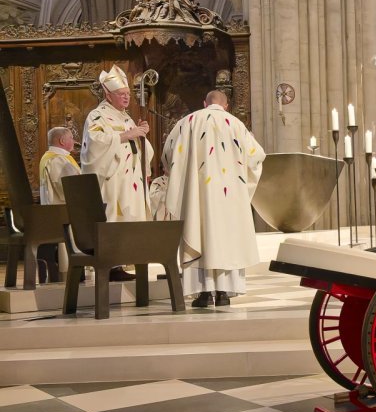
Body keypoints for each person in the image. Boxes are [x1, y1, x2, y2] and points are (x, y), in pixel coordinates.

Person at [162, 90, 265, 307]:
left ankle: (203, 294)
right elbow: (256, 157)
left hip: (197, 195)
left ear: (204, 103)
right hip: (229, 197)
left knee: (199, 232)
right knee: (225, 237)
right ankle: (224, 292)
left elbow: (168, 153)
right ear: (226, 106)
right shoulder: (237, 125)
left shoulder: (188, 122)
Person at [81, 65, 153, 282]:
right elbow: (93, 145)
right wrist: (126, 135)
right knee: (114, 216)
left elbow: (139, 148)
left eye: (128, 95)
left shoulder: (126, 117)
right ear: (108, 94)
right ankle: (111, 265)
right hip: (112, 179)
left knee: (130, 216)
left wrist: (141, 135)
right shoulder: (97, 116)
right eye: (121, 94)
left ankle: (124, 260)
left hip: (131, 179)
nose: (126, 98)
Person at [37, 126, 81, 282]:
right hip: (62, 211)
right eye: (71, 138)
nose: (74, 141)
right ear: (62, 141)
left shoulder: (52, 157)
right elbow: (67, 188)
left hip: (57, 209)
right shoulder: (57, 159)